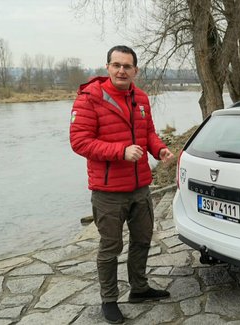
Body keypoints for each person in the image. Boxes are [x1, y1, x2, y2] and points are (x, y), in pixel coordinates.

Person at [70, 45, 174, 324]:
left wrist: (159, 149)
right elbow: (79, 142)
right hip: (108, 192)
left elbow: (148, 132)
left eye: (127, 66)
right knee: (110, 247)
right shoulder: (89, 98)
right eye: (116, 65)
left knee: (141, 240)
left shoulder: (140, 97)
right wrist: (121, 151)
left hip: (140, 186)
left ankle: (139, 289)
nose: (121, 70)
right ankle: (109, 300)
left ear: (135, 71)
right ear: (107, 67)